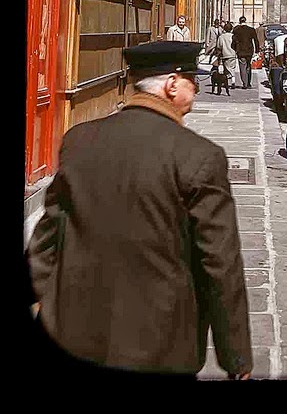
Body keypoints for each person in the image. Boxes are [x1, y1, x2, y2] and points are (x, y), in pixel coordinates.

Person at [26, 40, 252, 380]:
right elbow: (220, 265)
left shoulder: (79, 139)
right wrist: (236, 359)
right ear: (172, 84)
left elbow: (47, 237)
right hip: (159, 349)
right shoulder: (199, 156)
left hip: (72, 335)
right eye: (193, 80)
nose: (196, 91)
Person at [232, 16, 259, 90]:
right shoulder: (251, 29)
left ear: (239, 21)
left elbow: (233, 41)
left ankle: (244, 83)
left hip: (240, 51)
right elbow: (256, 40)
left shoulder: (236, 30)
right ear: (245, 21)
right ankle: (248, 83)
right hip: (249, 51)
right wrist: (257, 50)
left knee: (242, 67)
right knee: (248, 66)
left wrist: (235, 49)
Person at [215, 21, 238, 93]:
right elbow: (236, 44)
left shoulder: (221, 37)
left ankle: (226, 81)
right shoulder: (233, 36)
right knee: (232, 68)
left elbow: (219, 46)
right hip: (232, 54)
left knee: (226, 69)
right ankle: (233, 80)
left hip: (225, 54)